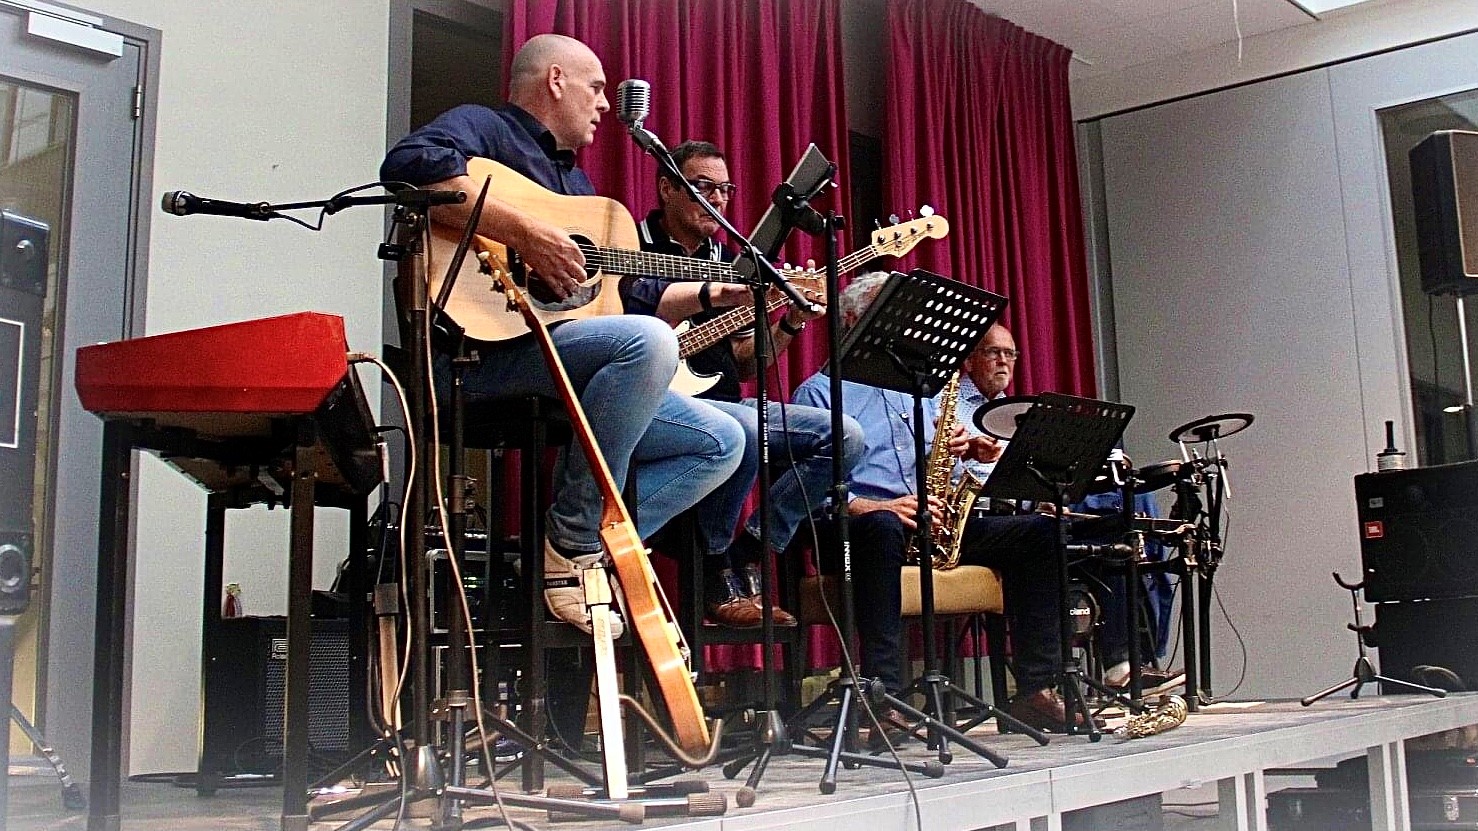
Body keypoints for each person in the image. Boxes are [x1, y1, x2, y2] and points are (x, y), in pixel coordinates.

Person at [379, 35, 746, 639]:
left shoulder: (578, 193)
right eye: (596, 87)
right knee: (648, 342)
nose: (605, 105)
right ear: (555, 80)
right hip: (478, 358)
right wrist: (526, 233)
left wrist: (718, 292)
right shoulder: (483, 129)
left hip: (555, 358)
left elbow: (630, 299)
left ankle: (591, 544)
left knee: (723, 440)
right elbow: (409, 167)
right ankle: (571, 547)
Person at [793, 271, 1097, 732]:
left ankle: (1036, 688)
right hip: (858, 527)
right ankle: (883, 694)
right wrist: (874, 507)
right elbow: (804, 490)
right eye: (892, 312)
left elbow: (945, 460)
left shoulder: (921, 390)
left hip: (930, 521)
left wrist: (968, 449)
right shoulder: (818, 392)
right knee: (881, 529)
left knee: (1040, 532)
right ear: (855, 320)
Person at [620, 140, 864, 628]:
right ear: (667, 188)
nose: (717, 199)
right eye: (702, 186)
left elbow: (747, 362)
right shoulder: (631, 244)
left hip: (726, 402)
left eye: (724, 189)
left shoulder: (732, 259)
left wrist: (790, 321)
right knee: (744, 431)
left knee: (844, 435)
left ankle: (752, 545)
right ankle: (713, 567)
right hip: (653, 407)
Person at [954, 327, 1181, 694]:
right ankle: (1047, 683)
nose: (1003, 361)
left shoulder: (1017, 412)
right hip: (984, 518)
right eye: (992, 352)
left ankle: (1120, 665)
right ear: (968, 360)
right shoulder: (947, 406)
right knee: (1081, 521)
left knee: (1118, 531)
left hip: (1030, 512)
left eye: (1010, 355)